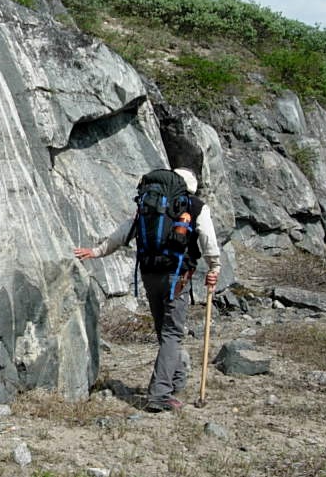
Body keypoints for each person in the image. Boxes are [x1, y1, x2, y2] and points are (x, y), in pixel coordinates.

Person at [74, 167, 222, 412]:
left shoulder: (150, 205)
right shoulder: (195, 206)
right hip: (176, 276)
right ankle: (160, 395)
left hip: (149, 273)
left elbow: (124, 233)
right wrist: (214, 267)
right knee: (172, 334)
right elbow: (208, 239)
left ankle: (174, 382)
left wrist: (96, 252)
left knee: (164, 331)